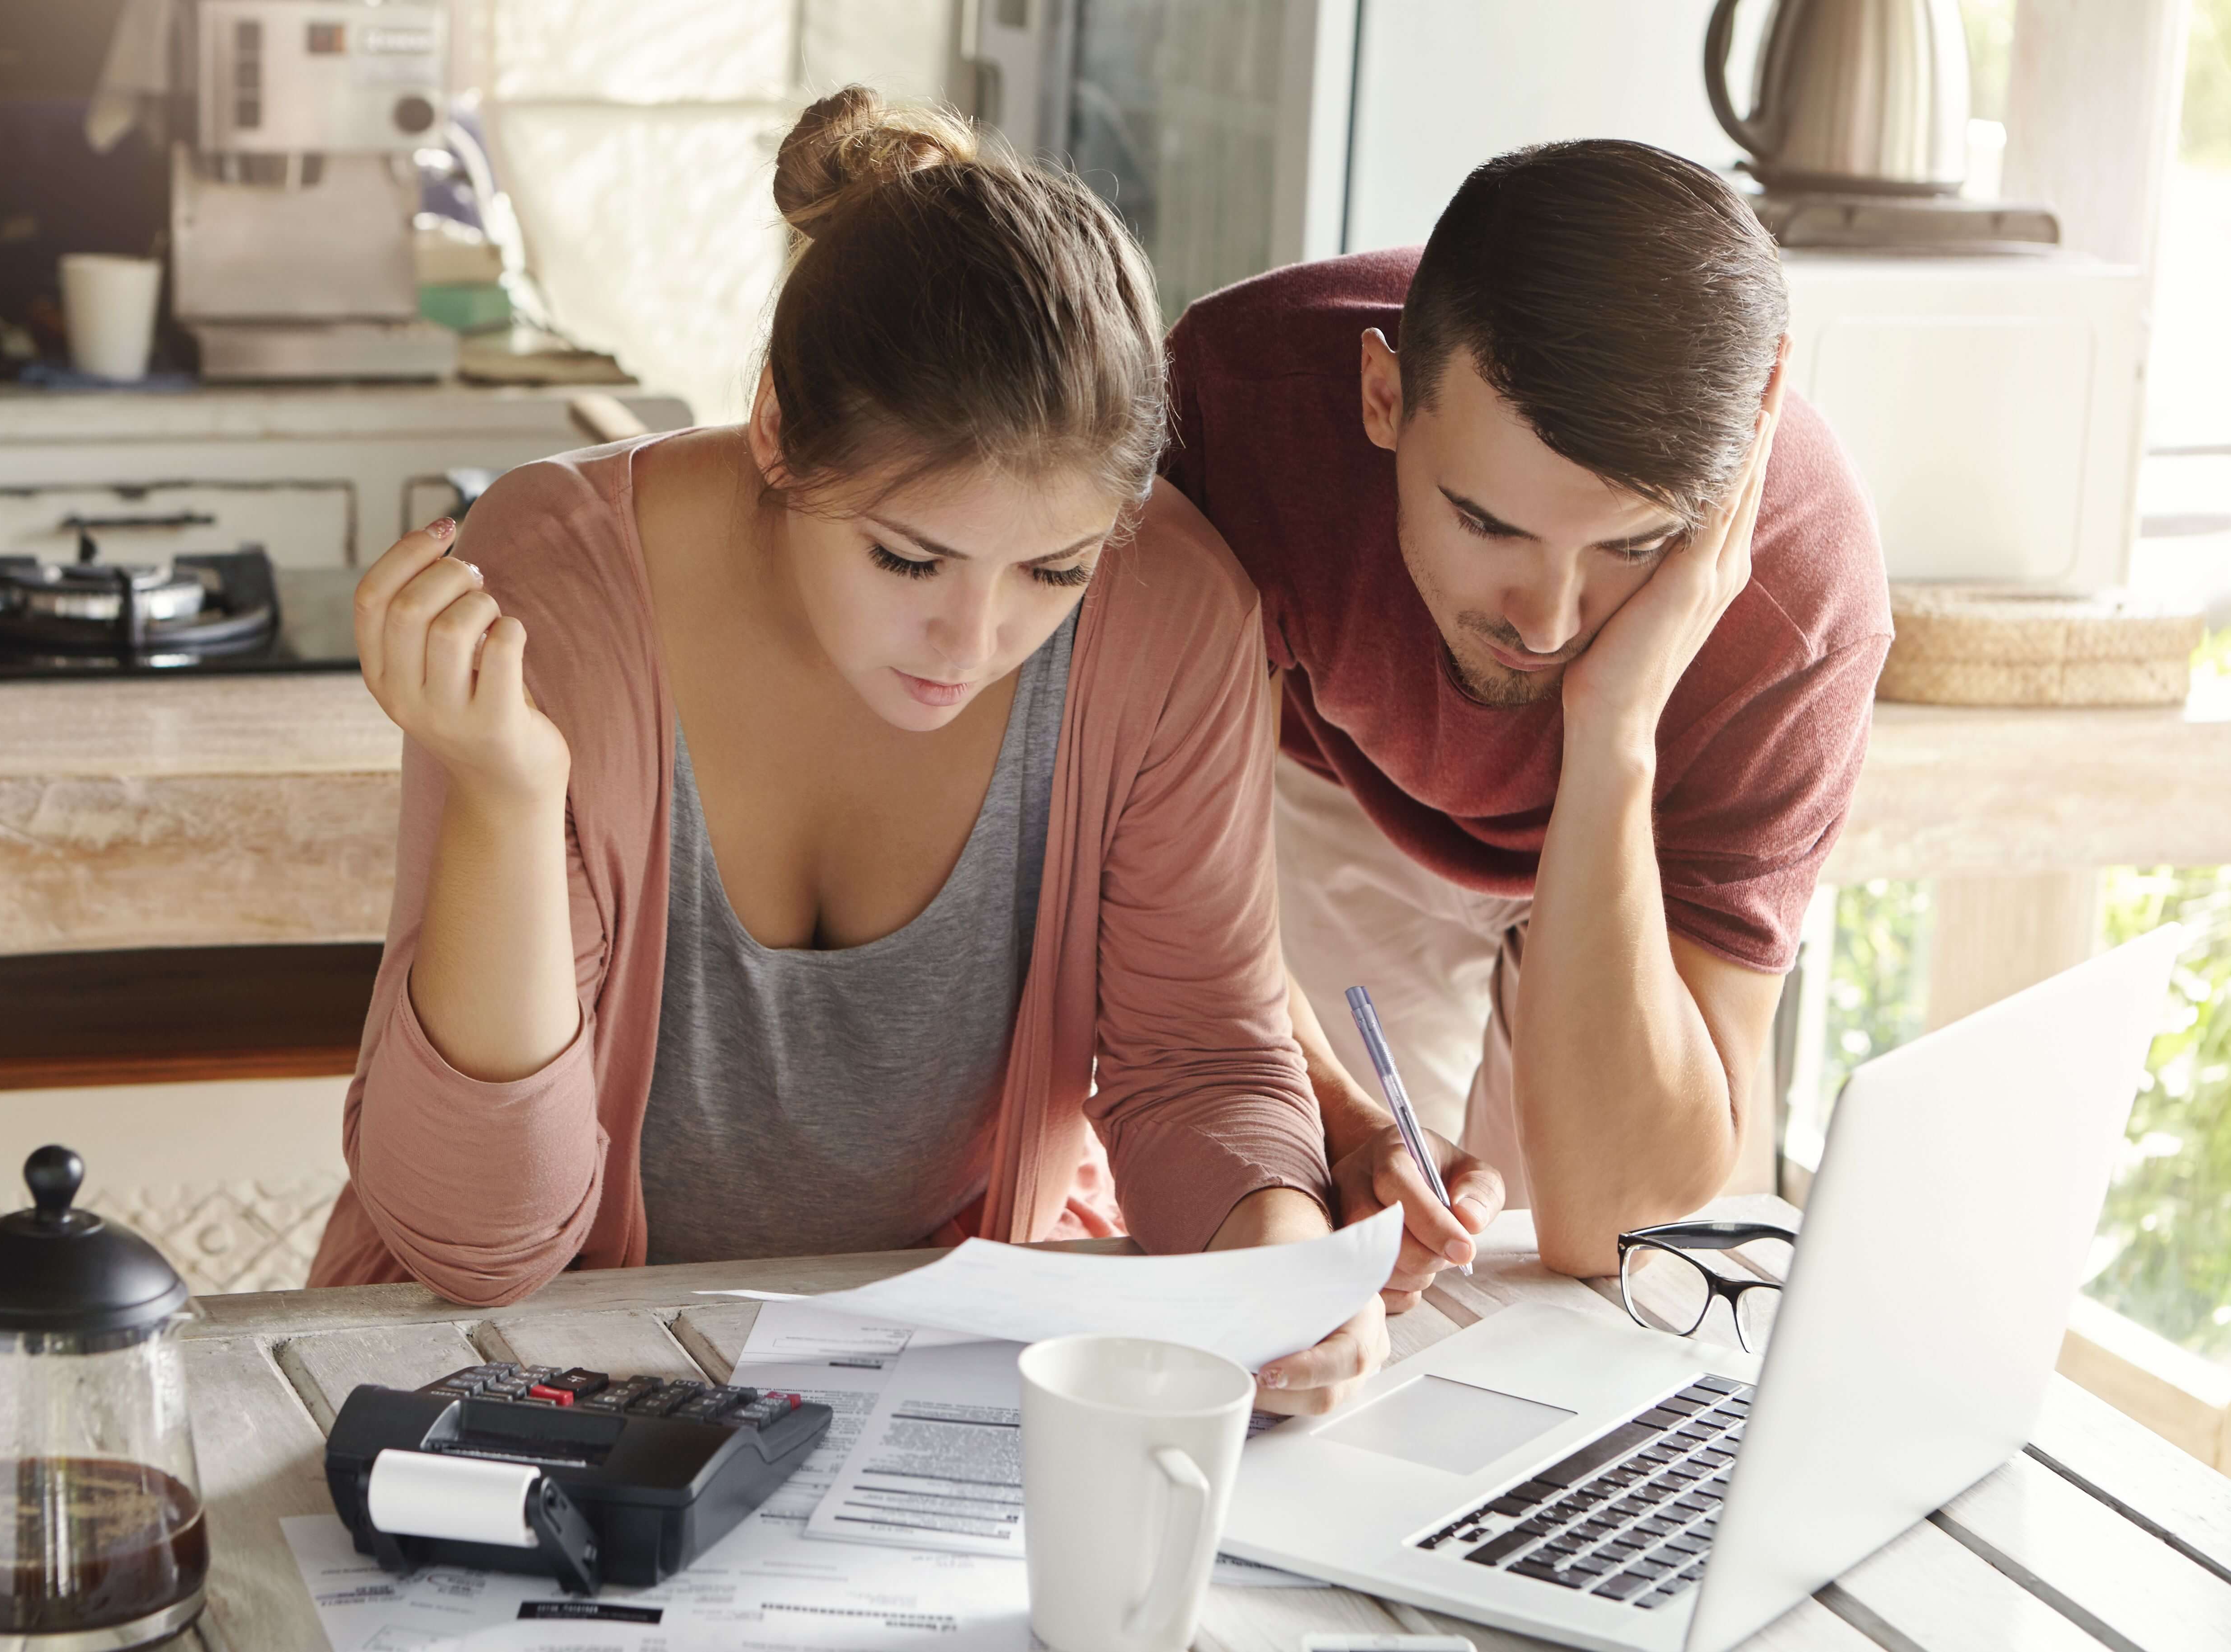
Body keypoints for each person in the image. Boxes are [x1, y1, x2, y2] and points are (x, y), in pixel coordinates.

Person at [307, 87, 1384, 1413]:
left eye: (1051, 572)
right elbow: (479, 1246)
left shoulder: (1173, 608)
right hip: (533, 1384)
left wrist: (1270, 1287)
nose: (975, 638)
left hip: (931, 1392)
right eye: (906, 557)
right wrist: (509, 796)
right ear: (775, 430)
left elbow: (1199, 1060)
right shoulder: (557, 584)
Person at [1162, 141, 1892, 1299]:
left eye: (1630, 547)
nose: (1548, 623)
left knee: (1579, 1301)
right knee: (1358, 1263)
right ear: (1382, 396)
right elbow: (1168, 930)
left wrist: (1612, 728)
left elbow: (1609, 1222)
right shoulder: (1237, 407)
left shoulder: (1801, 599)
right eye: (1488, 525)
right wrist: (1347, 1123)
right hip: (1339, 782)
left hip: (1628, 836)